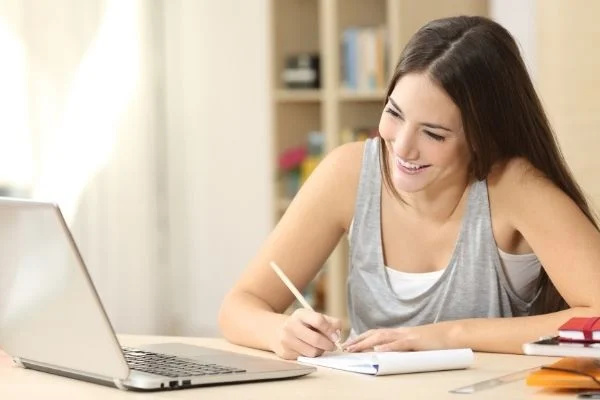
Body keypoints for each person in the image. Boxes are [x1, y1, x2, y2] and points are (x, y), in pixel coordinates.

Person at [218, 15, 600, 360]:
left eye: (433, 133)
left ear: (482, 139)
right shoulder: (348, 174)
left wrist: (450, 334)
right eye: (394, 114)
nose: (401, 146)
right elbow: (240, 305)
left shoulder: (513, 187)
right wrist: (280, 332)